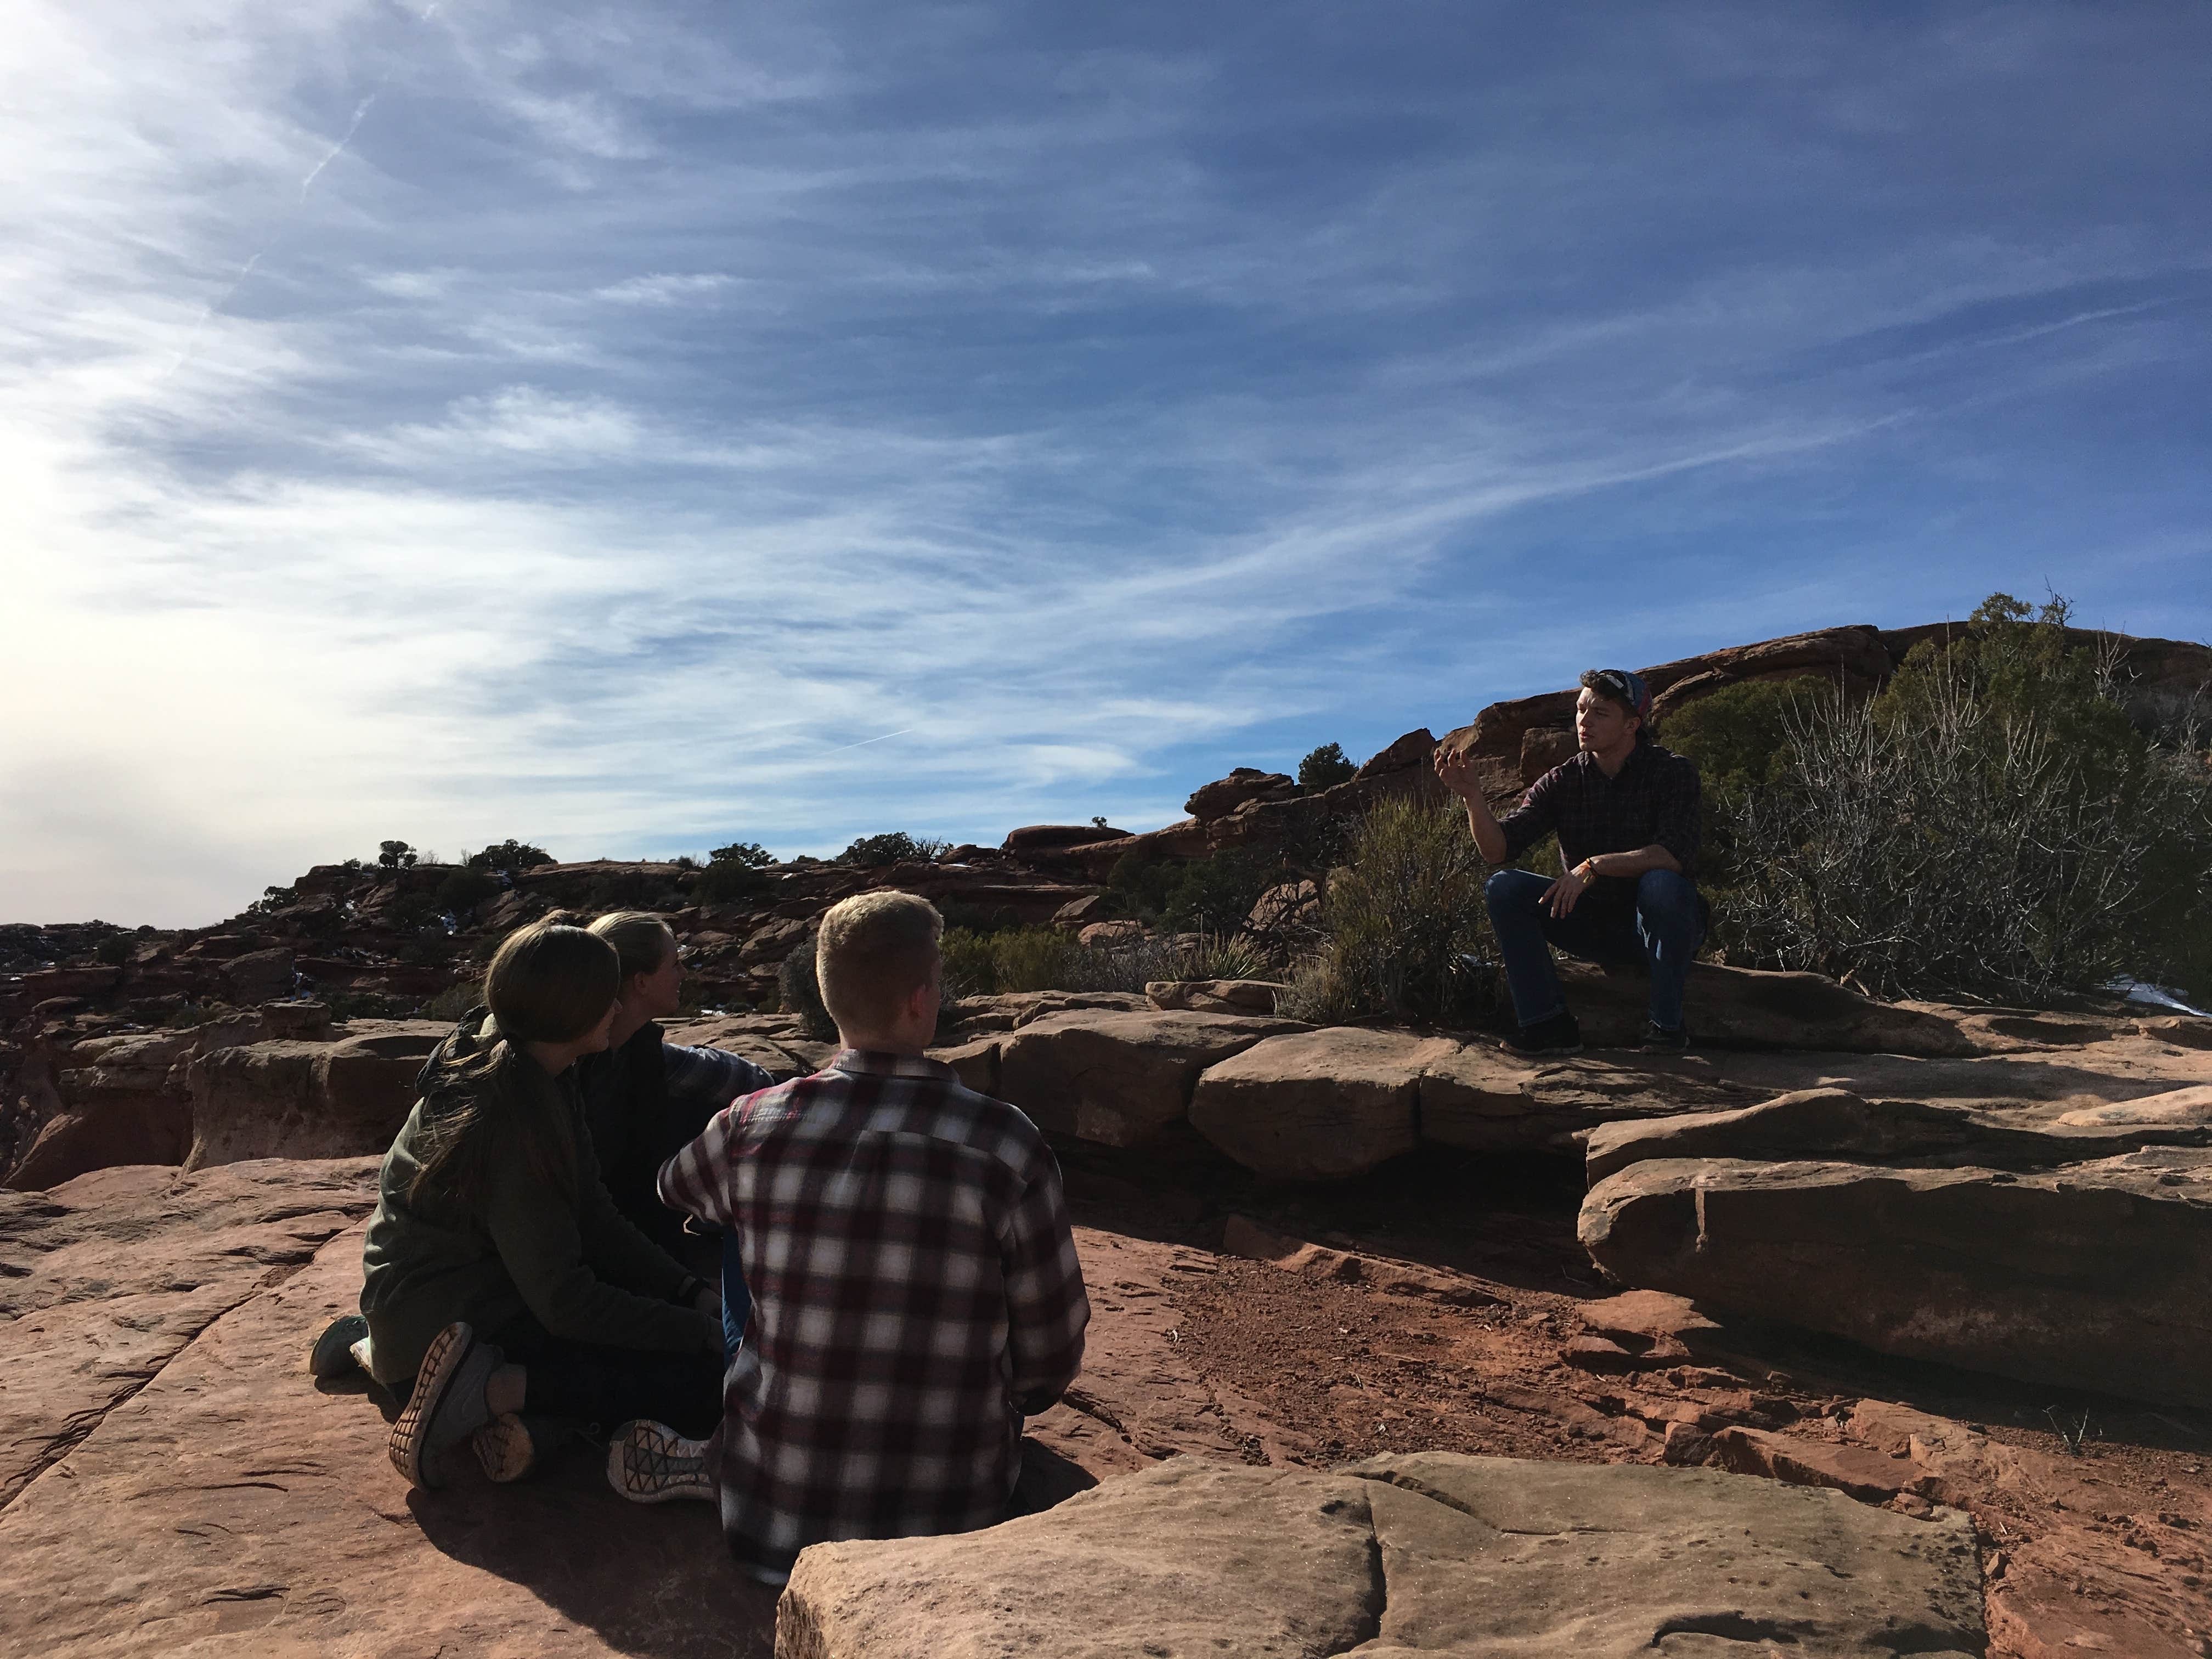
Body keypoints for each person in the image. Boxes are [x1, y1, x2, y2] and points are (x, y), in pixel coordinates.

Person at [606, 891, 1091, 1587]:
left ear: (829, 997)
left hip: (774, 1525)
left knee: (734, 1220)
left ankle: (724, 1452)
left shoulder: (749, 1124)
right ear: (920, 1002)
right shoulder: (1007, 1142)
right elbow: (1050, 1356)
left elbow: (672, 1189)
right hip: (956, 1521)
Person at [355, 916, 726, 1489]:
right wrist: (700, 1333)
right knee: (703, 1381)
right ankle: (485, 1392)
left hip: (443, 1304)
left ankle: (487, 1404)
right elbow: (566, 1302)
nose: (617, 1005)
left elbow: (595, 1215)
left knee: (667, 1345)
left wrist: (689, 1293)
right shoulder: (512, 1118)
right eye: (606, 995)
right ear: (572, 1009)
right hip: (446, 1337)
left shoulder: (540, 1070)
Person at [1434, 667, 1706, 1054]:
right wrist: (1473, 798)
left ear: (1631, 725)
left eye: (1600, 713)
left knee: (1661, 883)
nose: (1584, 721)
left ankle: (1666, 1027)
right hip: (1592, 926)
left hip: (1661, 924)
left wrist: (1594, 866)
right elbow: (1498, 851)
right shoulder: (1562, 781)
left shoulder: (1672, 772)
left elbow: (1673, 855)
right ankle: (1548, 1026)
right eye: (1581, 710)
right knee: (1505, 888)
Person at [578, 911, 775, 1354]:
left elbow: (746, 1081)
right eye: (675, 964)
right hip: (585, 1253)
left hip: (622, 1234)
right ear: (641, 982)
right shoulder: (568, 1067)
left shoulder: (642, 1053)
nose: (684, 973)